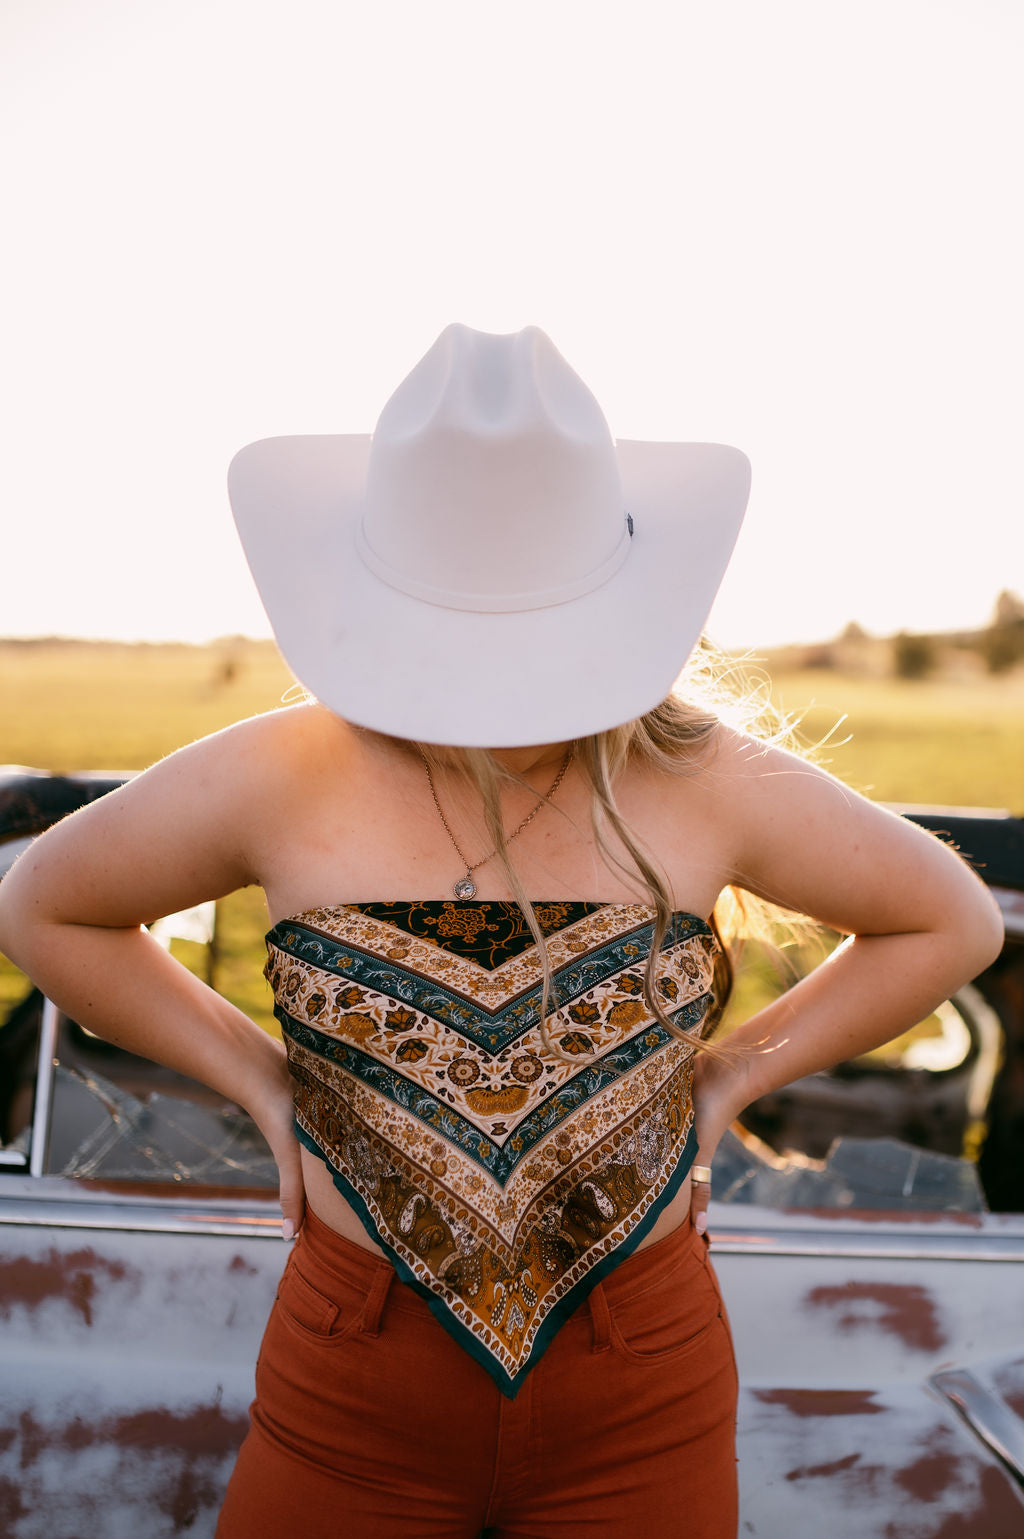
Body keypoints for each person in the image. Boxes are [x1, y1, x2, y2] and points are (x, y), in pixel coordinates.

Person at [0, 324, 1003, 1539]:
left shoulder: (706, 781)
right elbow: (45, 904)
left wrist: (725, 1082)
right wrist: (263, 1086)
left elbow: (945, 922)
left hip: (641, 1380)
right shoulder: (282, 773)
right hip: (349, 1374)